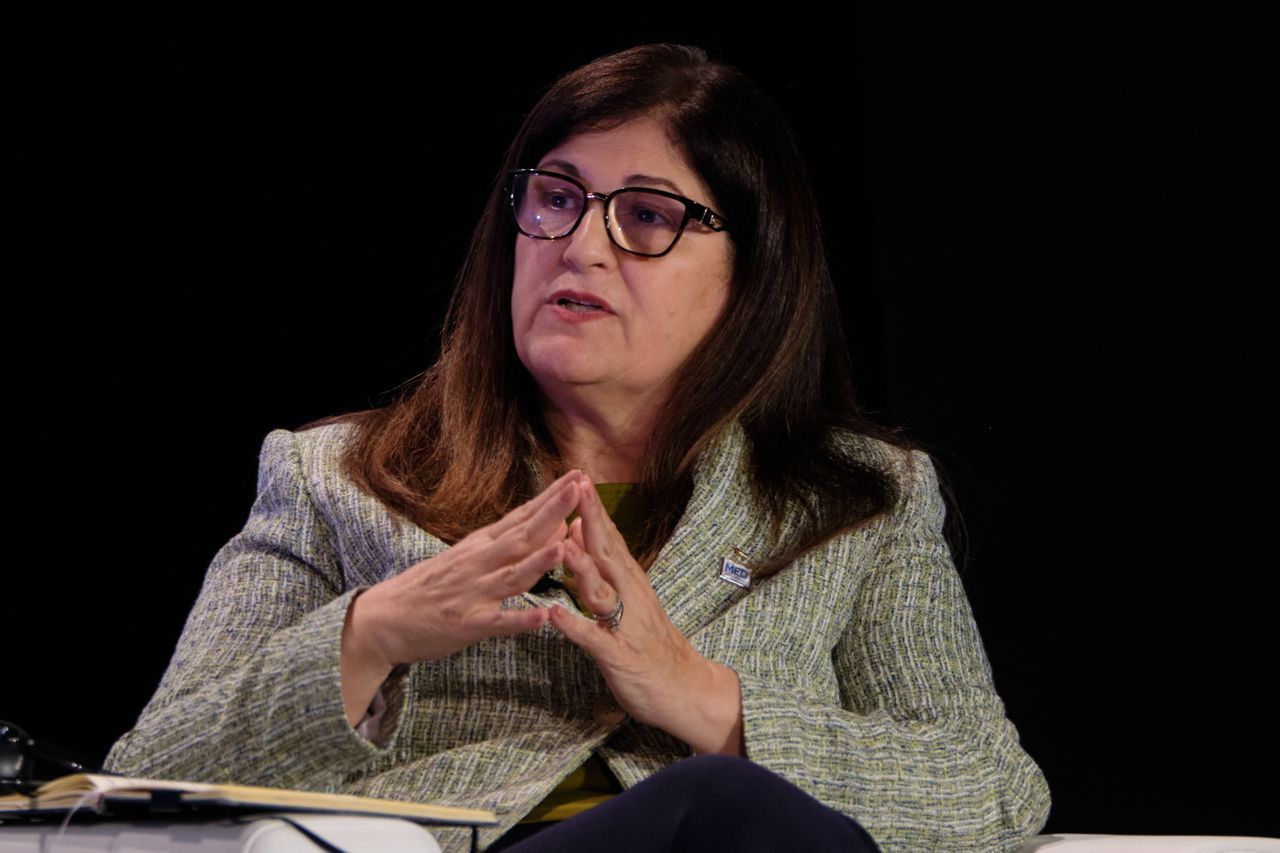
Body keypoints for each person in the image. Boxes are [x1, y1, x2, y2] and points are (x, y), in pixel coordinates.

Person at [105, 43, 1050, 852]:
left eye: (647, 216)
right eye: (555, 198)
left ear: (752, 272)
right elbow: (143, 786)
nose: (580, 246)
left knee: (719, 806)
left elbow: (994, 791)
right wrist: (370, 635)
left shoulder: (862, 498)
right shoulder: (339, 480)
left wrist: (703, 696)